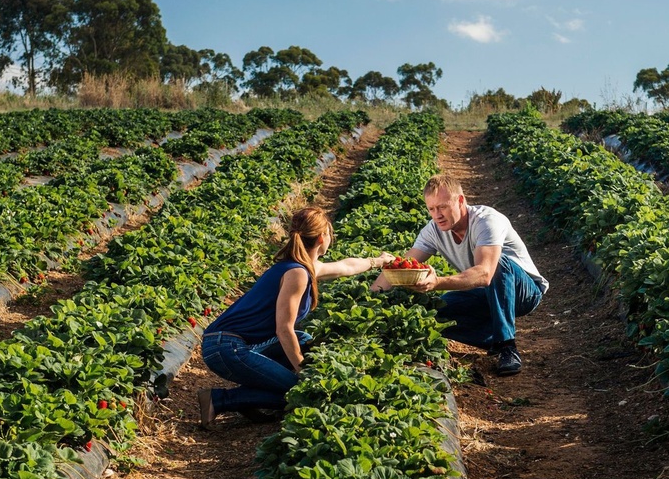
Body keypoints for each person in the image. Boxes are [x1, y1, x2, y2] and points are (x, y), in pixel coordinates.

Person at [197, 206, 392, 427]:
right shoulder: (297, 273)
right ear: (321, 238)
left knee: (303, 339)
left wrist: (378, 261)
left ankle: (254, 395)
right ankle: (218, 400)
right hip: (225, 347)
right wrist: (301, 371)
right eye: (330, 233)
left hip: (230, 344)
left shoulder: (302, 266)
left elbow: (345, 266)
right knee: (300, 392)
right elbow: (283, 329)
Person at [372, 173, 547, 376]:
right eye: (431, 209)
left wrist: (437, 282)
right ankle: (492, 339)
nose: (437, 214)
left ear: (461, 201)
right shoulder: (433, 231)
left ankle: (507, 346)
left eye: (443, 207)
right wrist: (372, 298)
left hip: (524, 292)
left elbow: (485, 274)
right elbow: (402, 267)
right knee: (435, 313)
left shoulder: (486, 221)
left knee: (498, 263)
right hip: (483, 293)